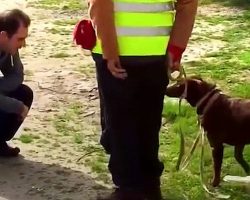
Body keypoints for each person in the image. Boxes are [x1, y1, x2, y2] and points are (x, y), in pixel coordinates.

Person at [88, 0, 198, 199]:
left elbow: (99, 4)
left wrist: (110, 50)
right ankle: (148, 185)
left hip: (122, 55)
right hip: (154, 54)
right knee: (147, 123)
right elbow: (188, 5)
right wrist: (175, 48)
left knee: (122, 125)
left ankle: (131, 187)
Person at [0, 9, 33, 157]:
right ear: (3, 36)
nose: (23, 44)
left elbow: (16, 76)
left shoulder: (6, 47)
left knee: (23, 92)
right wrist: (18, 107)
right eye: (20, 39)